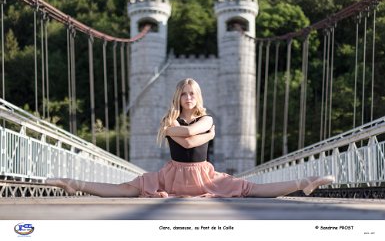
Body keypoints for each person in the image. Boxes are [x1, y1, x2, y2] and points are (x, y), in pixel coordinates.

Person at [46, 78, 334, 198]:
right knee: (126, 189)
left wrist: (200, 132)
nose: (187, 97)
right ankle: (74, 184)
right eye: (183, 94)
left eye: (192, 94)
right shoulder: (171, 120)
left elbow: (190, 138)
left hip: (203, 175)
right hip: (171, 176)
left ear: (197, 97)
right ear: (178, 96)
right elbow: (187, 139)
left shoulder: (206, 118)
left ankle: (303, 183)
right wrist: (206, 134)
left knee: (250, 188)